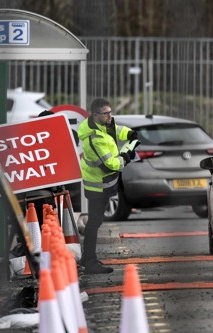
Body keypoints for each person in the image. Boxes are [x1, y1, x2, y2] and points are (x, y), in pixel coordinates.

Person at [77, 98, 137, 274]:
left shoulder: (103, 125)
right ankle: (89, 262)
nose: (110, 116)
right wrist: (126, 157)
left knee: (95, 222)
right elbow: (109, 164)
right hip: (97, 186)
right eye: (106, 113)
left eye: (110, 112)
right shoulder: (94, 139)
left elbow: (115, 130)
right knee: (94, 223)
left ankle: (88, 259)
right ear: (95, 115)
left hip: (102, 183)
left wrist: (129, 134)